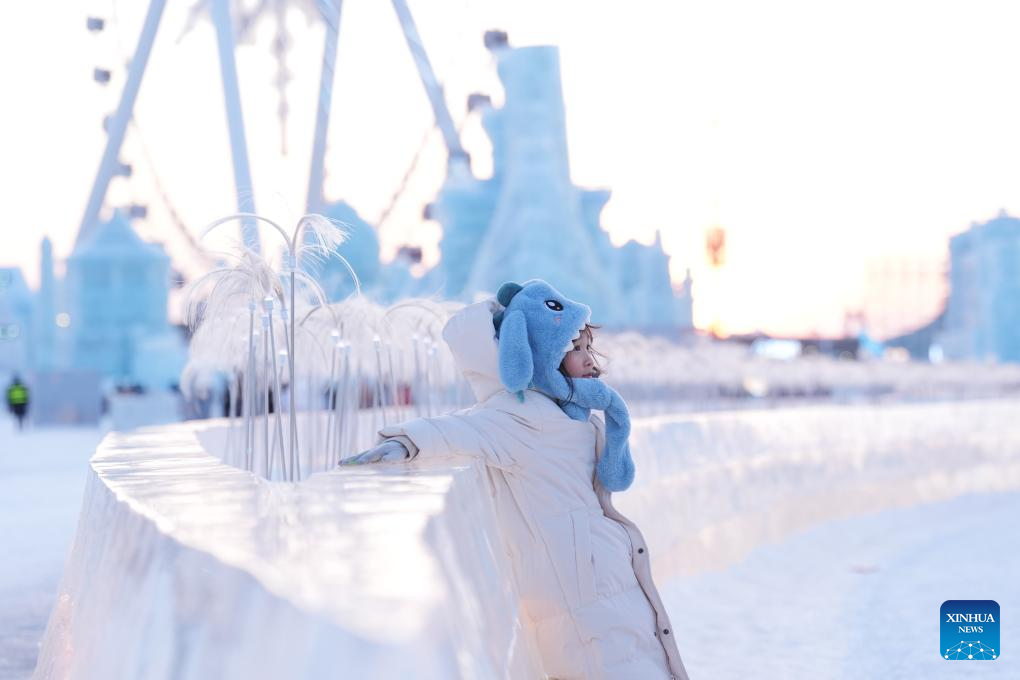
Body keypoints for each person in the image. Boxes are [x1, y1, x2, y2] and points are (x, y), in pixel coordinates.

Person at [340, 280, 691, 680]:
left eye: (587, 347)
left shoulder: (569, 416)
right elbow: (464, 429)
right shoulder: (520, 416)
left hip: (602, 584)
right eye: (574, 349)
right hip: (580, 598)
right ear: (541, 356)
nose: (589, 360)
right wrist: (406, 441)